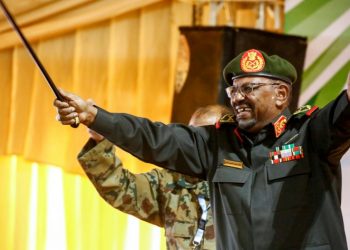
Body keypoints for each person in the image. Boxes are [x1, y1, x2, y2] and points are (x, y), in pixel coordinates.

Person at [54, 48, 350, 249]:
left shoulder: (311, 134)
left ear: (281, 94)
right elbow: (153, 137)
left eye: (249, 88)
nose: (237, 98)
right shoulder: (215, 145)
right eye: (234, 89)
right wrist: (95, 117)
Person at [78, 105, 233, 250]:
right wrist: (99, 141)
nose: (196, 146)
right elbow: (121, 188)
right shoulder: (172, 183)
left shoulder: (246, 184)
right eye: (191, 137)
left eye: (204, 139)